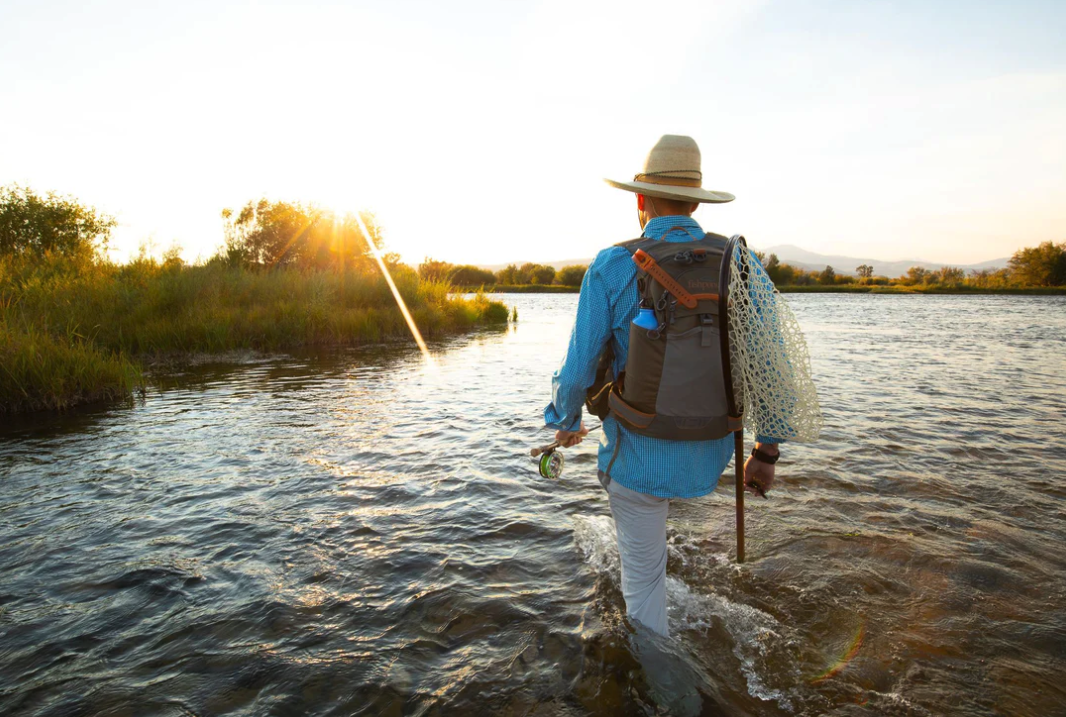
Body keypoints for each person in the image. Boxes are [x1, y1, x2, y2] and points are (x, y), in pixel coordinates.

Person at [544, 134, 786, 637]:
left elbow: (576, 370)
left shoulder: (612, 266)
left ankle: (669, 691)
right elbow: (773, 368)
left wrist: (564, 421)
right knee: (665, 520)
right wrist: (765, 453)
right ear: (697, 202)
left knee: (644, 595)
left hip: (639, 458)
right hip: (710, 454)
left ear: (639, 199)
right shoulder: (740, 263)